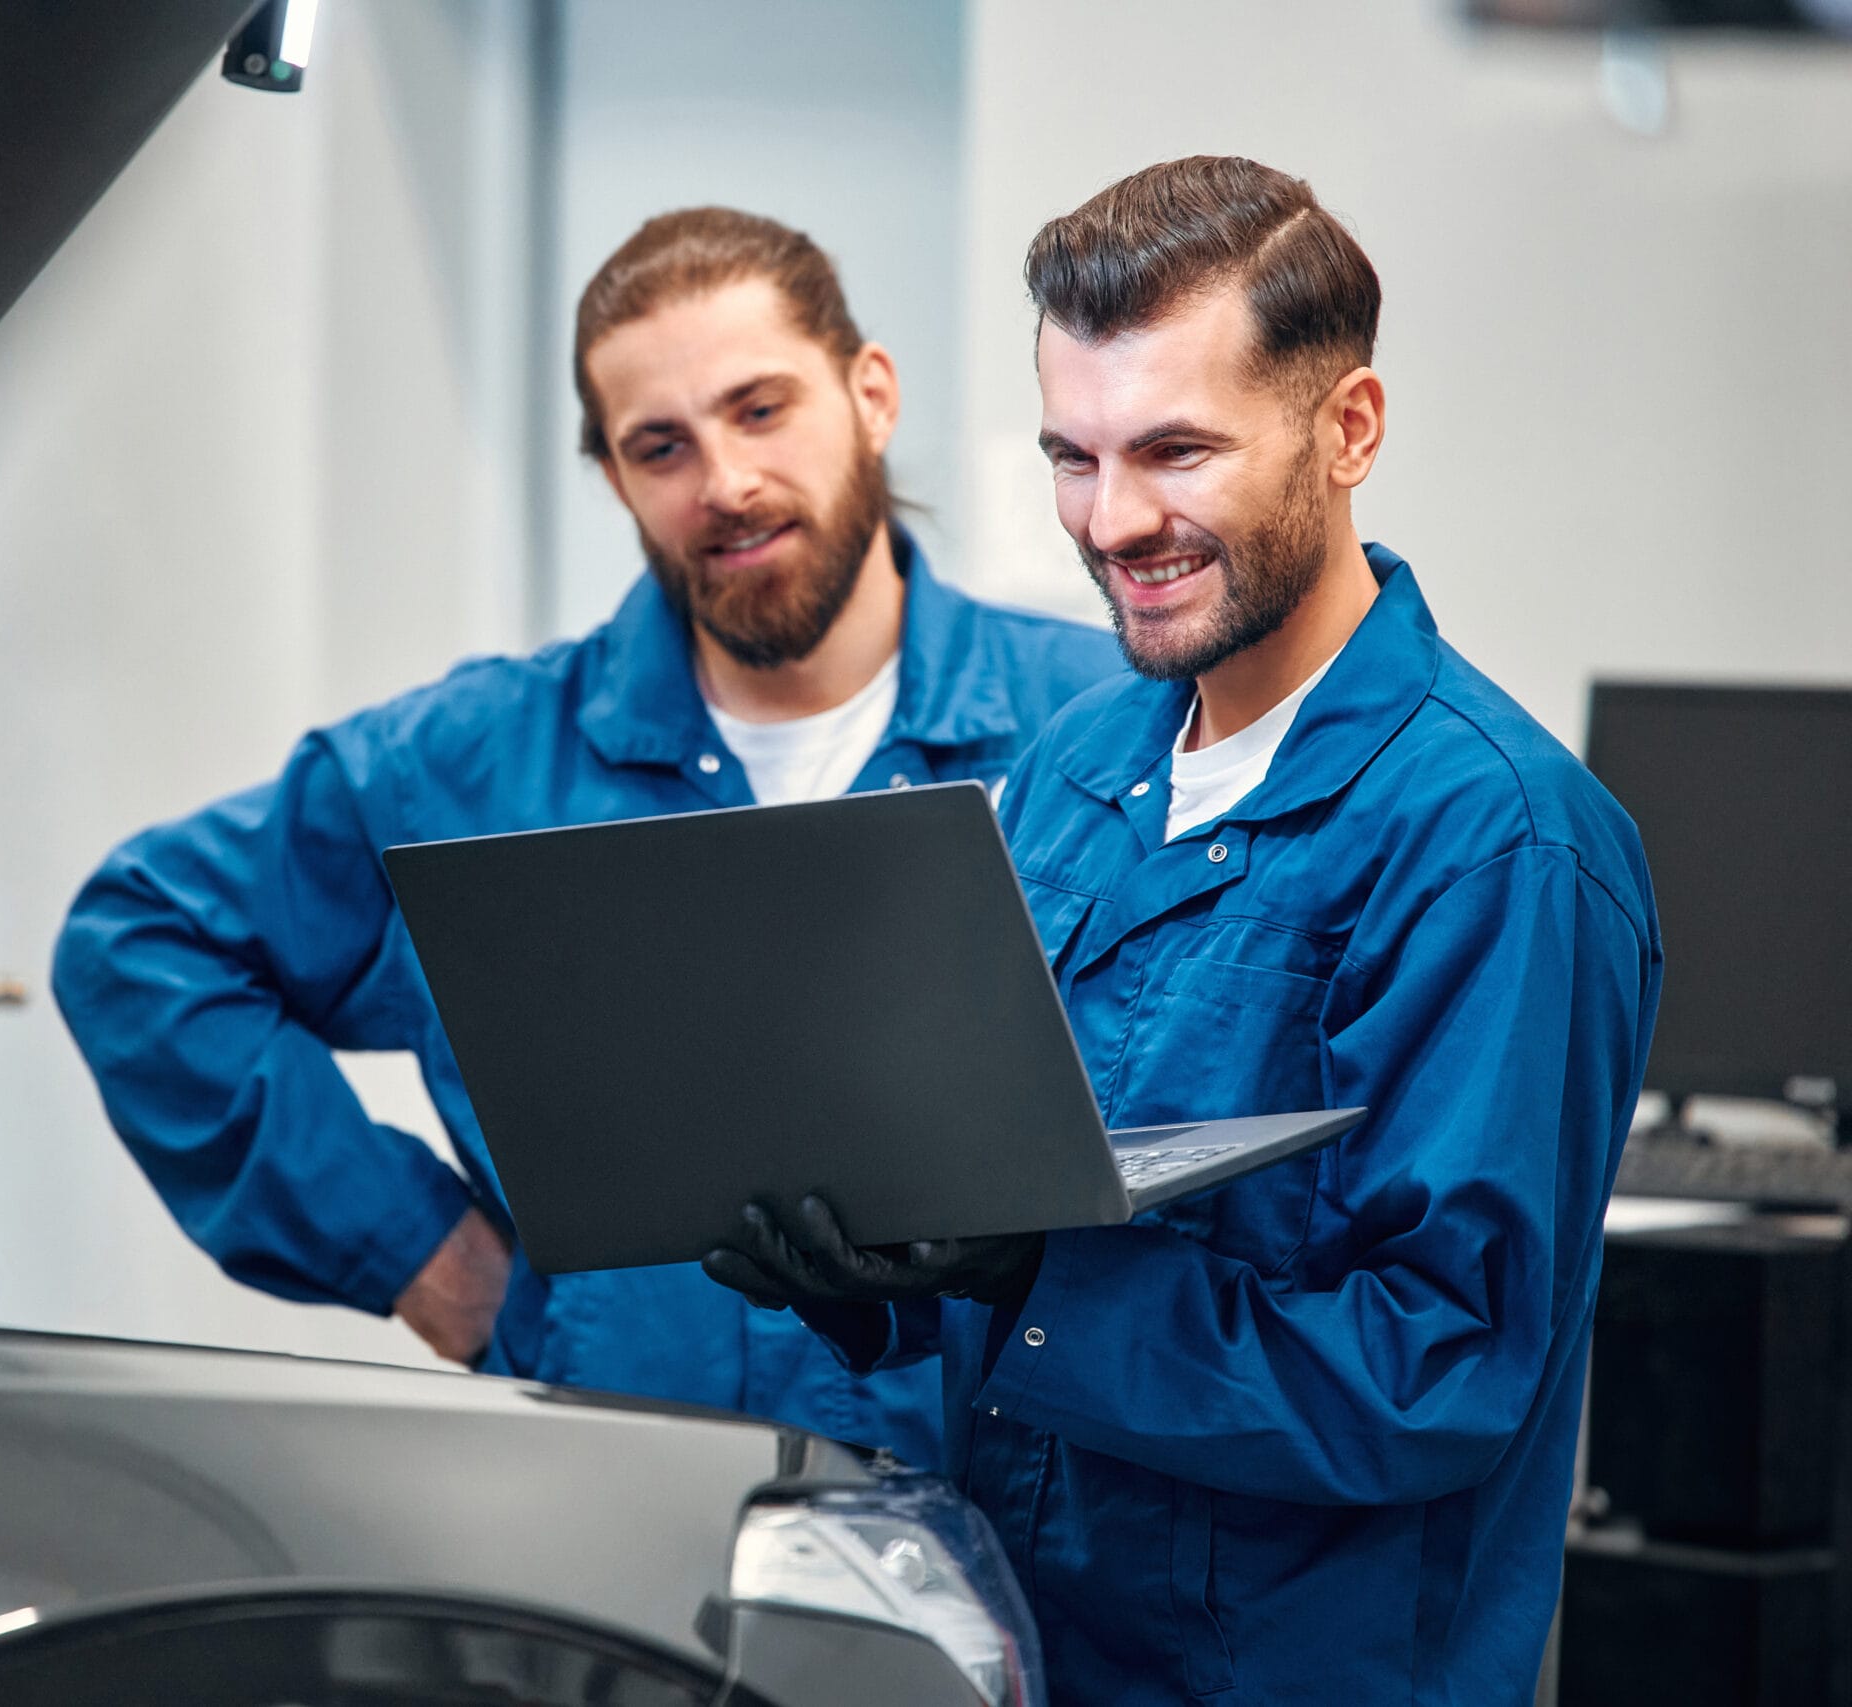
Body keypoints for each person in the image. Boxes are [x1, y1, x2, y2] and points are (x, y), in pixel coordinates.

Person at [703, 157, 1661, 1702]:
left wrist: (1031, 1284)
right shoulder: (1081, 765)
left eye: (1175, 450)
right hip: (1017, 1641)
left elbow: (1435, 1366)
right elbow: (1001, 1202)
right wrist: (862, 1266)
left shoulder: (1500, 840)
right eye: (1072, 456)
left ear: (1347, 428)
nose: (1113, 518)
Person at [52, 208, 1124, 1466]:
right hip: (639, 1522)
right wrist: (418, 1257)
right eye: (659, 446)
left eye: (761, 408)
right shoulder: (464, 770)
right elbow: (137, 945)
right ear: (614, 477)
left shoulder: (1103, 730)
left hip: (1037, 1528)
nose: (723, 483)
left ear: (869, 394)